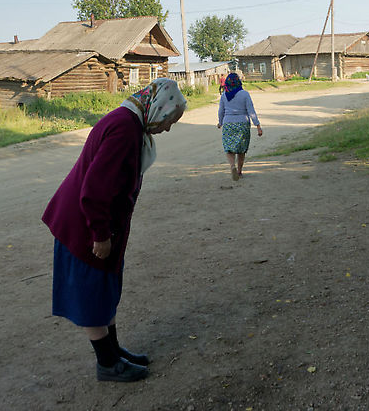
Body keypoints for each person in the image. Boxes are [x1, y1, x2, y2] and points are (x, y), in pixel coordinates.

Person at [42, 78, 187, 383]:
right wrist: (100, 235)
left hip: (100, 225)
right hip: (84, 226)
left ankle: (114, 350)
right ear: (158, 107)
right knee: (93, 293)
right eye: (169, 120)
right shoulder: (124, 129)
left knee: (105, 289)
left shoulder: (129, 122)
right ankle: (107, 363)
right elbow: (95, 189)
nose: (168, 128)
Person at [217, 73, 262, 181]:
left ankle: (232, 166)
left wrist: (220, 122)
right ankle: (239, 172)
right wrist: (258, 126)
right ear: (239, 82)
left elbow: (221, 111)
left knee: (229, 149)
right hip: (243, 124)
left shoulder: (224, 95)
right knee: (241, 150)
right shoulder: (245, 94)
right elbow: (251, 111)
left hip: (228, 123)